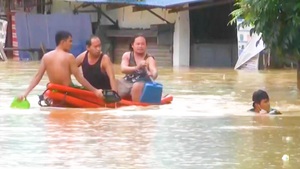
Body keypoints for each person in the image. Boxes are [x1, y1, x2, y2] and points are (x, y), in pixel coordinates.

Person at [18, 31, 103, 100]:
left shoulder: (46, 57)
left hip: (54, 91)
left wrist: (25, 94)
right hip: (68, 92)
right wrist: (95, 91)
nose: (71, 44)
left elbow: (37, 77)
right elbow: (79, 78)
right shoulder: (69, 57)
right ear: (62, 42)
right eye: (70, 41)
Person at [118, 34, 158, 102]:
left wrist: (153, 74)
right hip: (128, 81)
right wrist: (137, 67)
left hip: (143, 82)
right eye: (138, 44)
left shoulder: (149, 58)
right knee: (114, 82)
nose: (140, 46)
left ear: (146, 46)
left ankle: (136, 106)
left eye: (143, 44)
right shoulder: (127, 55)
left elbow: (154, 70)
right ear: (132, 45)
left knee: (137, 86)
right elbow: (123, 69)